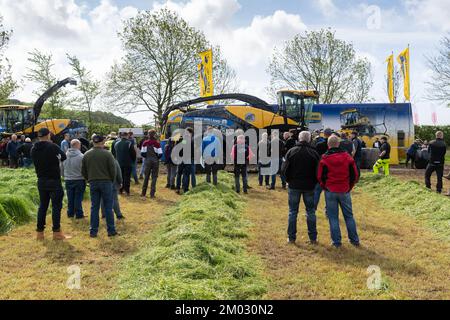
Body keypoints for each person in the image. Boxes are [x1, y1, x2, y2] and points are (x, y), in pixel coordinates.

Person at [317, 135, 360, 248]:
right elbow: (355, 175)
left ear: (328, 145)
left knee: (333, 217)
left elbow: (320, 176)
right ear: (338, 144)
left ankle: (336, 242)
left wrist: (324, 187)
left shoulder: (324, 158)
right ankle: (354, 240)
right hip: (344, 190)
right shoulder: (347, 157)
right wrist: (349, 186)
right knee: (349, 216)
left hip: (330, 190)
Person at [281, 131, 320, 244]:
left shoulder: (291, 151)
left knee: (293, 212)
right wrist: (314, 182)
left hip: (294, 185)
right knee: (311, 212)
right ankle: (313, 237)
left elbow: (283, 170)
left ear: (299, 138)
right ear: (309, 139)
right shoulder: (313, 153)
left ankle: (291, 237)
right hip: (309, 186)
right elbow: (318, 171)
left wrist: (288, 180)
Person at [31, 128, 70, 241]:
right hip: (54, 180)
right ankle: (56, 232)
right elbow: (63, 157)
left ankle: (40, 233)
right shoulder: (52, 147)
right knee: (56, 207)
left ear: (38, 136)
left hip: (41, 180)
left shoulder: (34, 148)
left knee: (42, 206)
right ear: (48, 135)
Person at [82, 135, 118, 238]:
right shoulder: (107, 154)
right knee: (108, 207)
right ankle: (111, 230)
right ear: (102, 142)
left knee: (94, 207)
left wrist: (88, 179)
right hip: (106, 182)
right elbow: (113, 170)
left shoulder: (86, 154)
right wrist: (112, 180)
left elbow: (83, 170)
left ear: (93, 142)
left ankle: (93, 231)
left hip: (93, 182)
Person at [62, 139, 86, 219]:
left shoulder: (65, 155)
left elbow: (61, 168)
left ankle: (70, 213)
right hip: (79, 179)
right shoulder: (81, 156)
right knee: (78, 197)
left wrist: (64, 175)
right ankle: (79, 213)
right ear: (77, 145)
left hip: (68, 179)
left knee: (70, 197)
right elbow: (84, 169)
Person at [313, 128, 333, 211]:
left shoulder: (319, 145)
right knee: (328, 193)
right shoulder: (335, 145)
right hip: (331, 172)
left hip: (320, 171)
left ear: (324, 134)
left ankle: (312, 210)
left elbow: (315, 158)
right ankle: (327, 210)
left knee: (316, 192)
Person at [141, 130, 162, 199]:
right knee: (154, 177)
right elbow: (160, 154)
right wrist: (156, 157)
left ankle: (143, 193)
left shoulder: (145, 143)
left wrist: (147, 157)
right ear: (154, 134)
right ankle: (152, 194)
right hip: (155, 161)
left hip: (147, 161)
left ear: (148, 135)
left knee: (146, 177)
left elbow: (142, 154)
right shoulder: (157, 143)